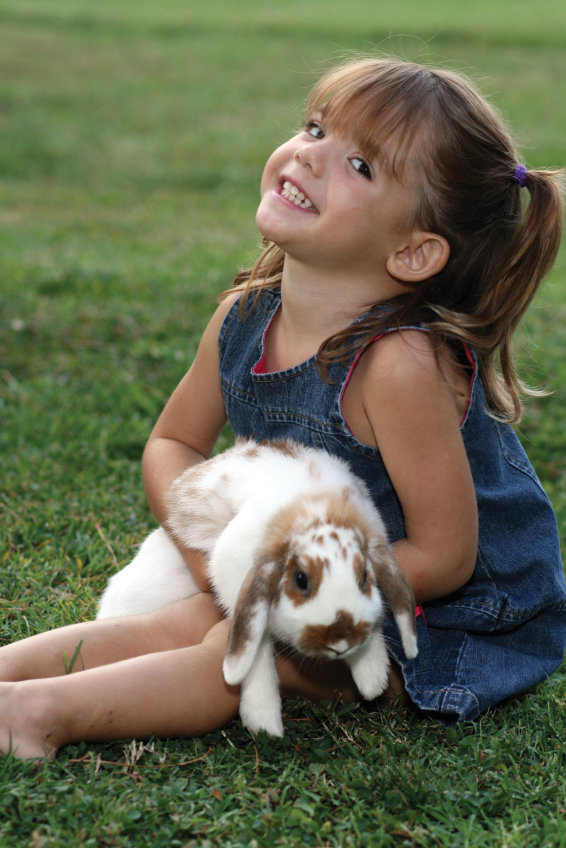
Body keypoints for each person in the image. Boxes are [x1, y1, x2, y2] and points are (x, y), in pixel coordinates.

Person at [1, 57, 565, 760]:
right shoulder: (244, 316)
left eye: (359, 164)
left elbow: (447, 555)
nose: (310, 154)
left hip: (440, 608)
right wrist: (215, 562)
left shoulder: (400, 365)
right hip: (297, 563)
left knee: (233, 649)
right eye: (315, 127)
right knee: (190, 615)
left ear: (415, 252)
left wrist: (295, 592)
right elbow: (172, 443)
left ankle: (41, 714)